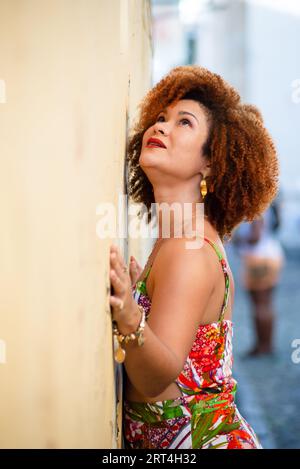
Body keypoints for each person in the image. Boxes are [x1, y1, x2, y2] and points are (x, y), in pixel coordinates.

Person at [109, 65, 279, 449]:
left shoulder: (189, 249)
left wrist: (131, 316)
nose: (161, 127)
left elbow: (156, 378)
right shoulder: (182, 239)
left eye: (184, 122)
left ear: (211, 162)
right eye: (161, 118)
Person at [231, 198, 285, 356]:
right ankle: (265, 345)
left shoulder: (257, 208)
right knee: (265, 304)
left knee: (260, 305)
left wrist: (235, 238)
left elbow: (255, 237)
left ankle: (263, 346)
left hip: (259, 259)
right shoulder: (268, 205)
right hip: (270, 254)